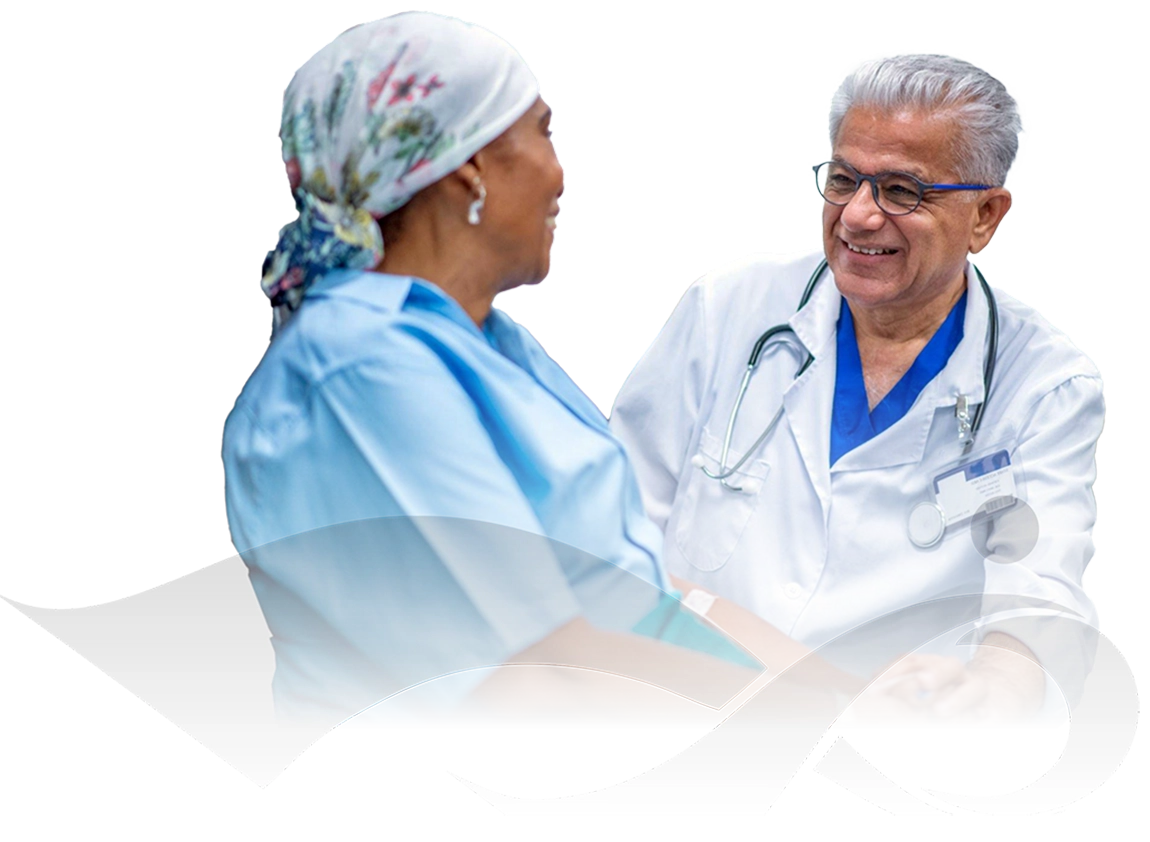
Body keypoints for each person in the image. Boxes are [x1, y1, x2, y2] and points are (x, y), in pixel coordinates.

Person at [223, 16, 959, 730]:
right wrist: (828, 712)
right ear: (469, 164)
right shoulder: (361, 368)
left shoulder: (483, 345)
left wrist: (844, 684)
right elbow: (538, 665)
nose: (559, 177)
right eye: (542, 134)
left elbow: (646, 594)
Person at [610, 50, 1105, 728]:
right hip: (695, 715)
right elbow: (614, 538)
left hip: (898, 745)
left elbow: (1039, 594)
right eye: (843, 180)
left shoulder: (1044, 382)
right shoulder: (725, 311)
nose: (858, 217)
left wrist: (991, 692)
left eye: (902, 191)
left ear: (986, 216)